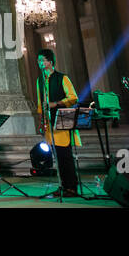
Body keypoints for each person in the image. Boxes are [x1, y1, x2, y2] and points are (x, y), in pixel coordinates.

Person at [35, 49, 81, 197]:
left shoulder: (62, 78)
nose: (40, 63)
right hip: (49, 124)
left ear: (50, 62)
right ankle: (63, 185)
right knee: (57, 157)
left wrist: (56, 103)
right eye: (39, 60)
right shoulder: (40, 81)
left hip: (62, 121)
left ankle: (72, 187)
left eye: (43, 60)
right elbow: (40, 103)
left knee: (65, 156)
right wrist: (41, 121)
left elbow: (73, 97)